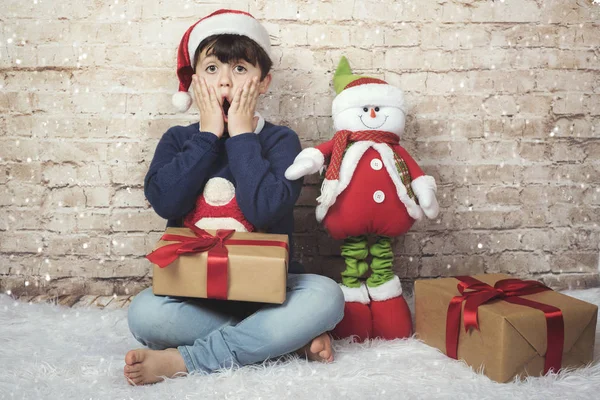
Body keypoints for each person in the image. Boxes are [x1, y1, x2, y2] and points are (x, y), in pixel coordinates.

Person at [123, 9, 345, 385]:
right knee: (144, 315)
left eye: (240, 69)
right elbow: (166, 203)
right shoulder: (178, 140)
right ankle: (280, 340)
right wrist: (208, 135)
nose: (225, 80)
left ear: (263, 82)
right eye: (212, 69)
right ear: (194, 82)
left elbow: (263, 211)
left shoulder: (280, 141)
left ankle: (188, 360)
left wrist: (242, 135)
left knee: (327, 297)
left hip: (270, 291)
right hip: (195, 293)